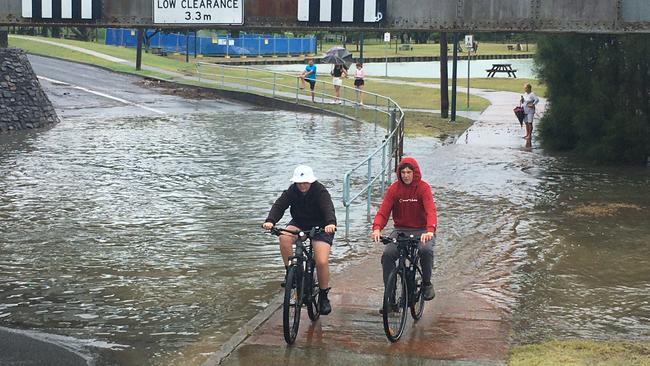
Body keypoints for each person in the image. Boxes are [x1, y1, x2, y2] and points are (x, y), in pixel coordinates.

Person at [262, 165, 337, 315]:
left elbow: (328, 208)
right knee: (284, 237)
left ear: (311, 181)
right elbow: (279, 205)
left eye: (305, 183)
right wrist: (270, 221)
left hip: (321, 227)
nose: (302, 185)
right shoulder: (292, 191)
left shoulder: (320, 191)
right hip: (300, 223)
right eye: (299, 183)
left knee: (321, 261)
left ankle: (323, 296)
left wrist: (330, 223)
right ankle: (292, 272)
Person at [370, 157, 437, 312]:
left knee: (425, 250)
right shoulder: (394, 189)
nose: (406, 175)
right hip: (400, 230)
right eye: (403, 172)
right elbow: (383, 211)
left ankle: (427, 283)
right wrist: (377, 228)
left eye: (409, 172)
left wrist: (430, 230)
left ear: (415, 173)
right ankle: (390, 297)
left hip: (422, 230)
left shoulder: (423, 188)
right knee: (387, 255)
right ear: (399, 173)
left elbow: (430, 211)